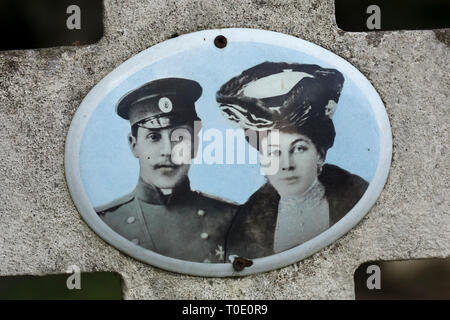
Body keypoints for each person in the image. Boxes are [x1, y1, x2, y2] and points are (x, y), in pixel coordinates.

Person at [216, 62, 368, 260]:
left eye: (299, 148)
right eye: (273, 152)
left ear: (320, 154)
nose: (286, 164)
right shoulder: (245, 224)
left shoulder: (357, 198)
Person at [96, 78, 237, 263]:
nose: (168, 151)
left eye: (179, 137)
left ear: (195, 145)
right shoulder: (104, 223)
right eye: (154, 137)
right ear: (134, 145)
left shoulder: (233, 219)